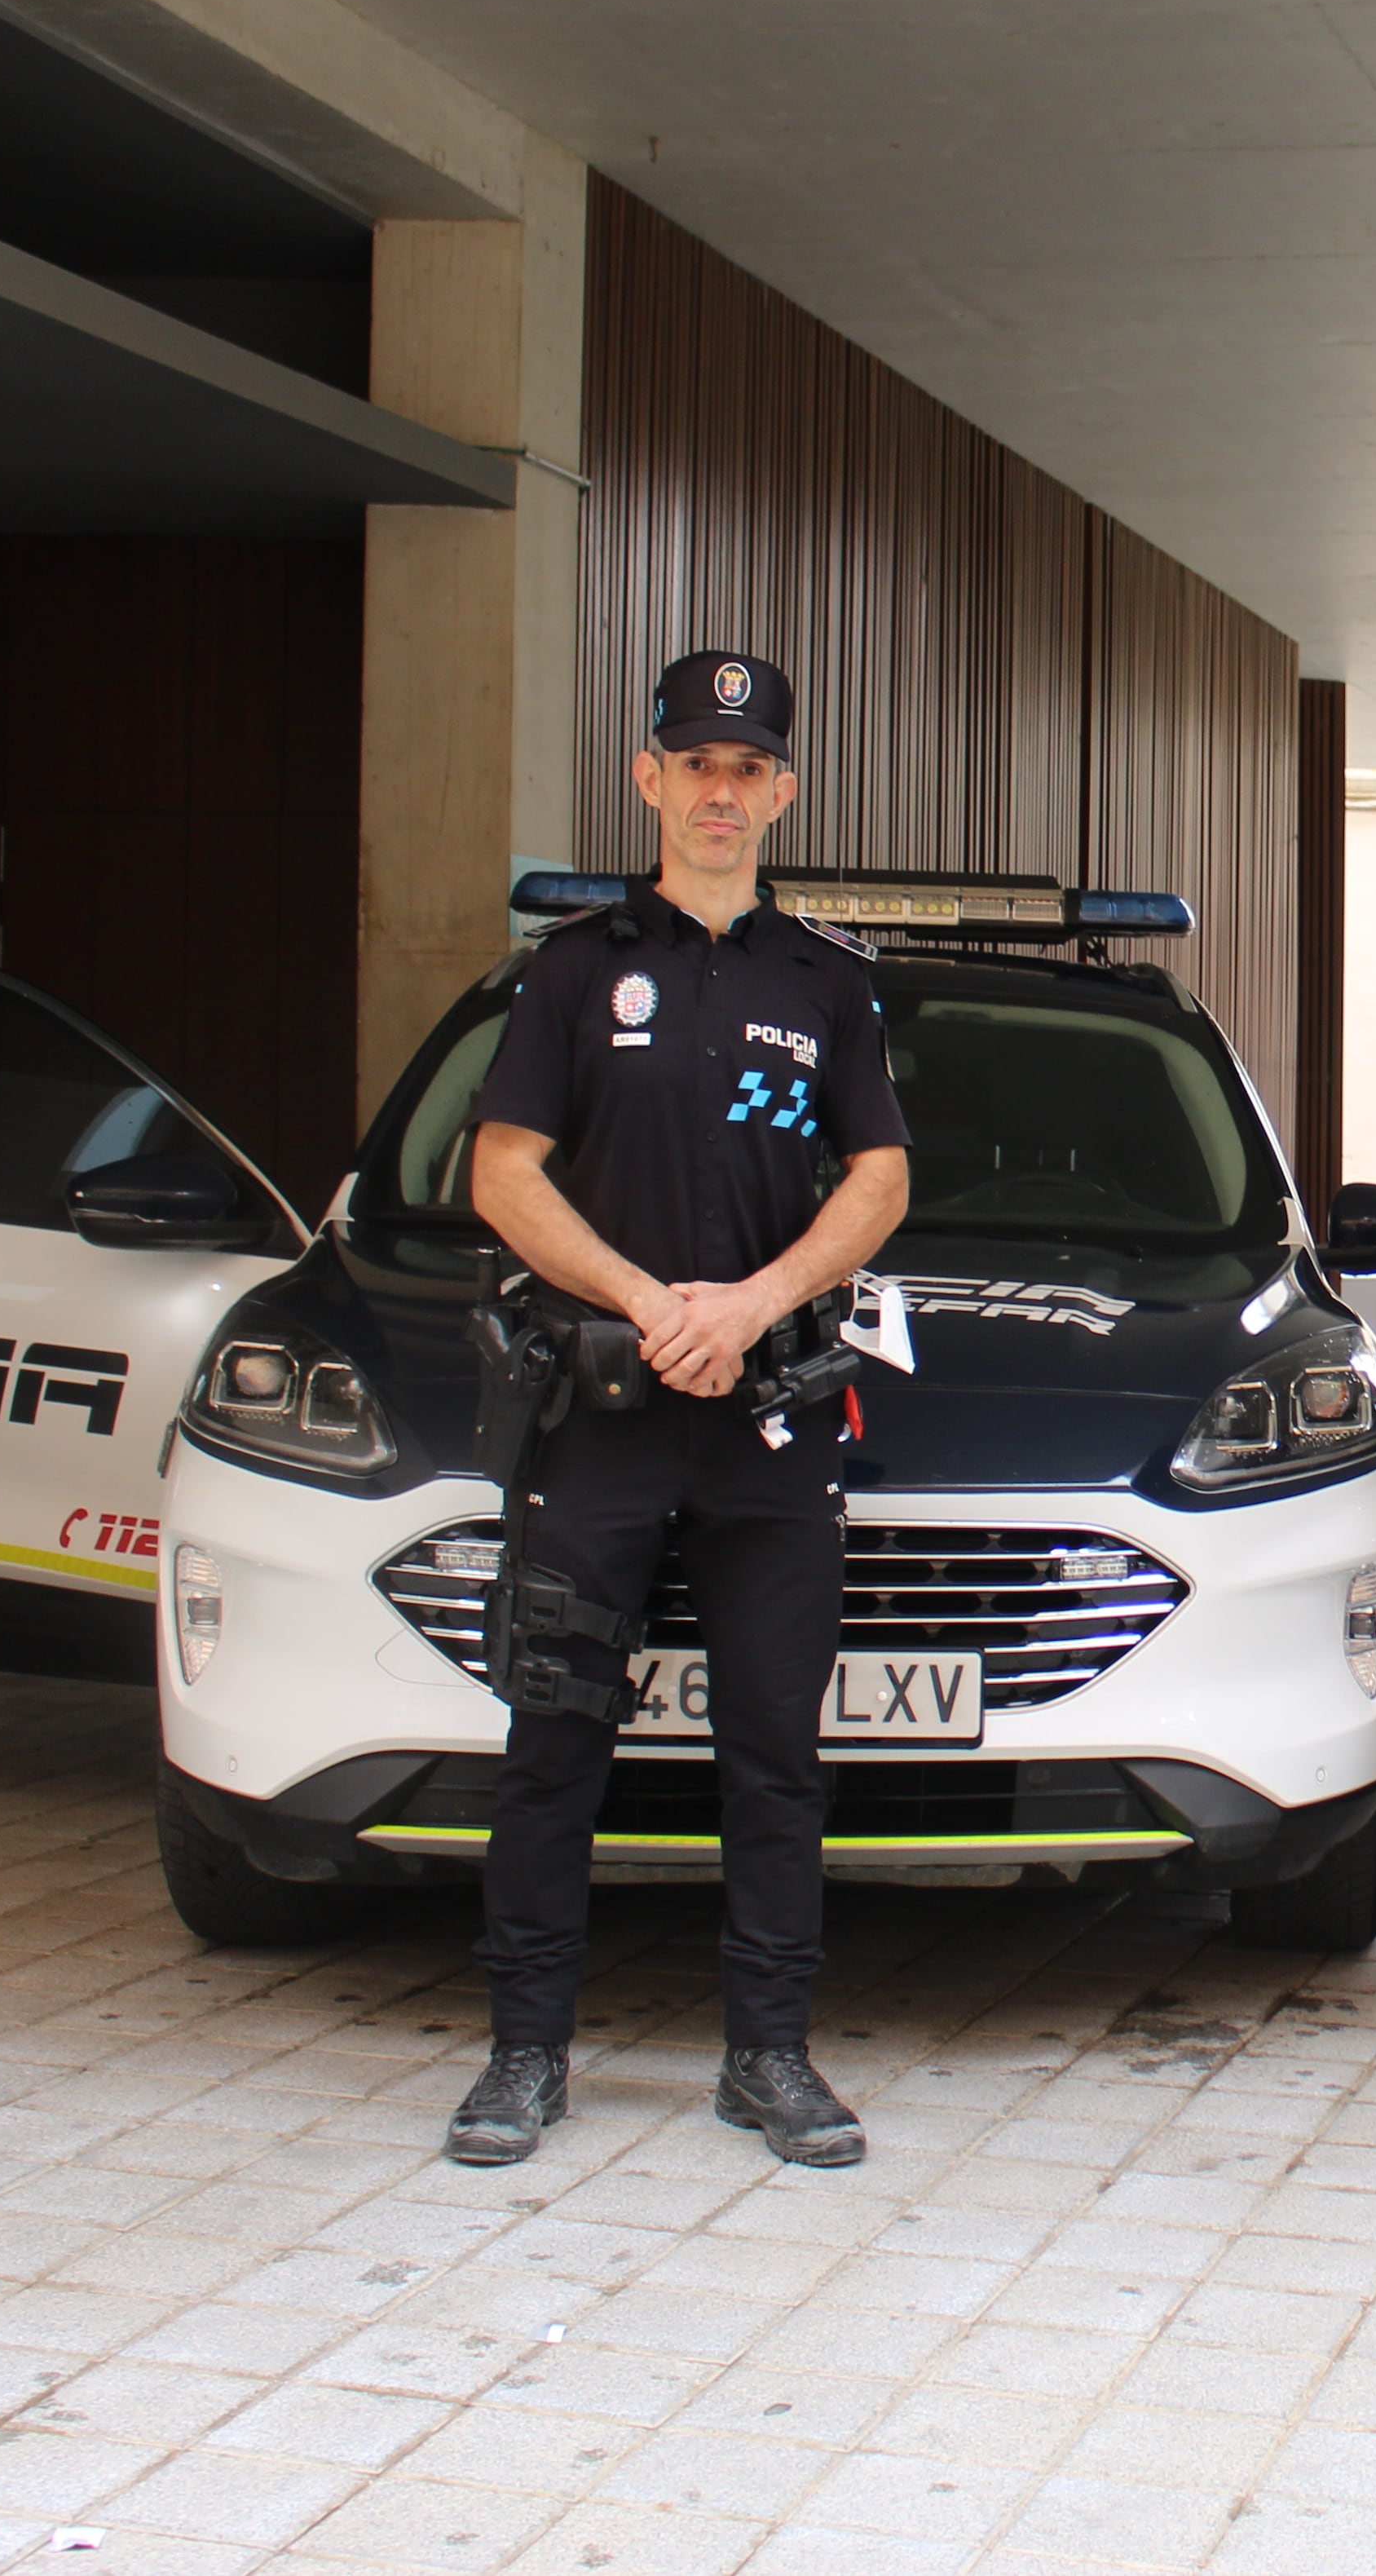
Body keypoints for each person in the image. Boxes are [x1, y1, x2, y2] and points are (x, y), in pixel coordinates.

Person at [443, 649, 914, 2168]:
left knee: (774, 1753)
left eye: (748, 767)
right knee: (553, 1743)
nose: (722, 791)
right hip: (603, 1418)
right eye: (696, 763)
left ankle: (767, 2055)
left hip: (768, 1419)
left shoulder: (826, 982)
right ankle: (525, 2053)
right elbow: (502, 1171)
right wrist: (655, 1305)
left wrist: (753, 1303)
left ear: (783, 791)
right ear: (650, 778)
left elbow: (881, 1177)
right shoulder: (575, 972)